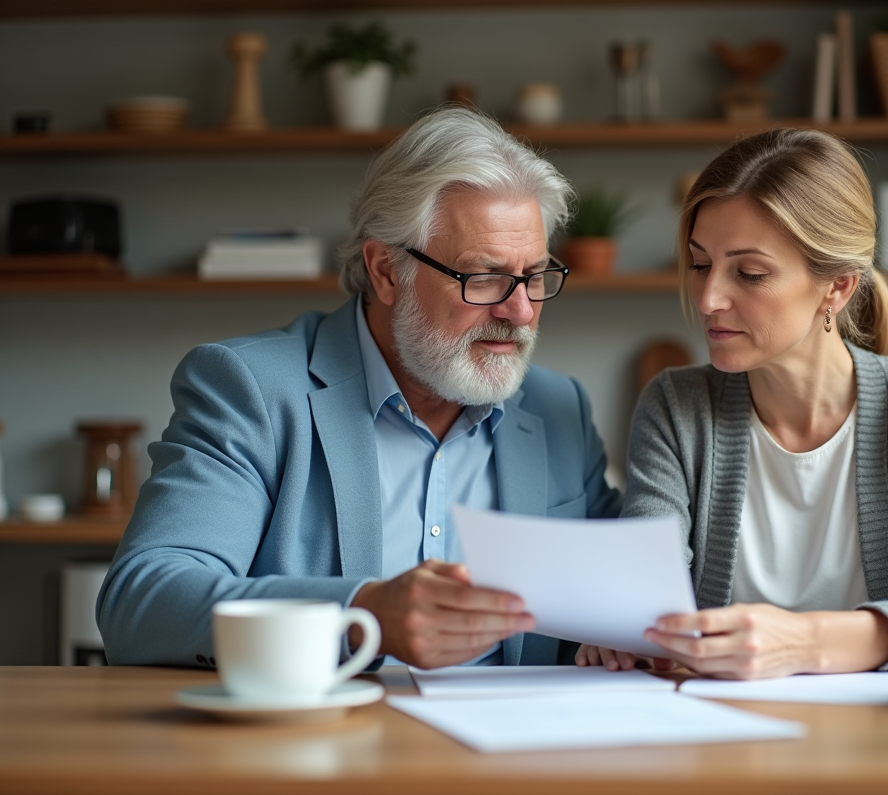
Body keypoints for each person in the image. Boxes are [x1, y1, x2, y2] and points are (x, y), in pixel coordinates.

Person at [98, 108, 621, 669]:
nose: (521, 311)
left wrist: (636, 634)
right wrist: (364, 615)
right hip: (333, 723)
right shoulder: (252, 390)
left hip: (514, 728)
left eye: (534, 276)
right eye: (485, 277)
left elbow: (616, 595)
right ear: (386, 270)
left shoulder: (558, 407)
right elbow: (144, 601)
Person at [577, 128, 888, 679]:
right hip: (722, 725)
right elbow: (648, 592)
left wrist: (805, 643)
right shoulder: (675, 406)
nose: (709, 298)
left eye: (749, 273)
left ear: (837, 286)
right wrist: (628, 625)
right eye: (699, 264)